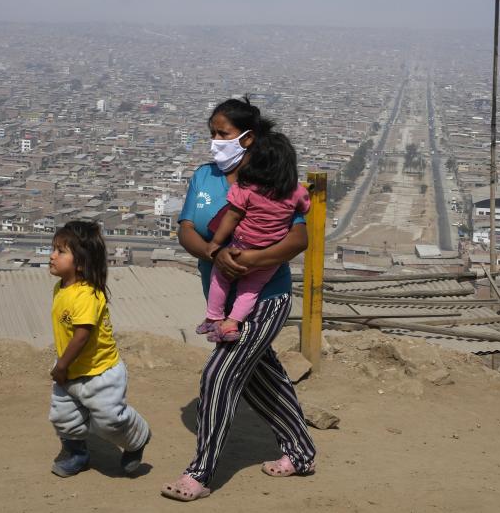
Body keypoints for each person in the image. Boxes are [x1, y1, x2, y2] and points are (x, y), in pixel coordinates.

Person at [162, 96, 317, 502]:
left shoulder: (272, 176)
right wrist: (215, 254)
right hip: (221, 300)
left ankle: (199, 474)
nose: (215, 141)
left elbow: (299, 238)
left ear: (247, 139)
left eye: (223, 134)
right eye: (212, 133)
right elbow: (186, 230)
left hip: (265, 297)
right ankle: (300, 453)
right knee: (263, 379)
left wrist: (248, 260)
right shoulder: (205, 177)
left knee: (219, 374)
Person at [47, 220, 151, 477]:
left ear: (80, 263)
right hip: (71, 369)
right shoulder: (61, 288)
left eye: (60, 251)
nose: (52, 256)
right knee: (63, 418)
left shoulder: (87, 295)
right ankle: (78, 455)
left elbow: (82, 336)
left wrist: (61, 366)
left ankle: (138, 437)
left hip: (99, 372)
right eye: (53, 249)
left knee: (110, 420)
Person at [197, 130, 310, 342]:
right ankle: (231, 325)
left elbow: (232, 216)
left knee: (220, 276)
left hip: (241, 247)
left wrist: (216, 243)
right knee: (250, 290)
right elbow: (305, 206)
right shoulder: (294, 191)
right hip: (269, 256)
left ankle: (214, 317)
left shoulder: (246, 188)